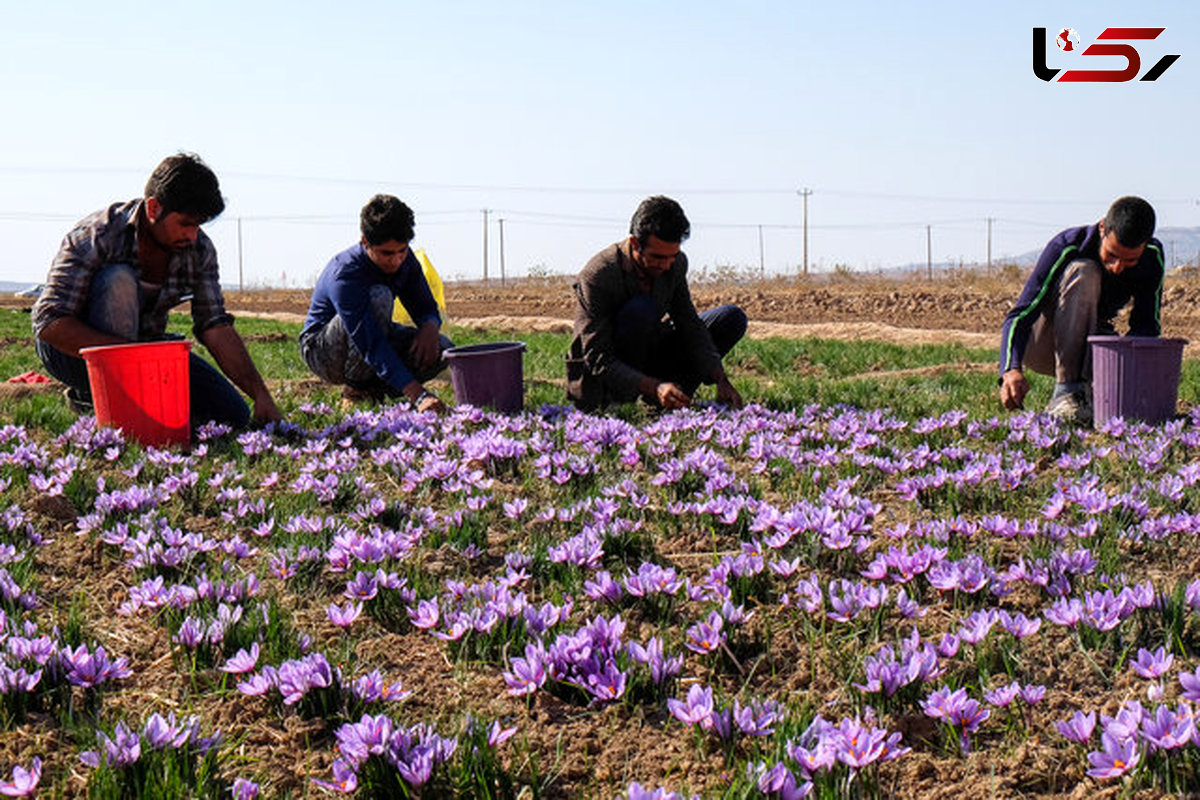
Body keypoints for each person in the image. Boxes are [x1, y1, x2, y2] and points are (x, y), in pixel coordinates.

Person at [32, 153, 281, 428]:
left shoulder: (198, 250)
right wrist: (130, 359)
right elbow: (49, 321)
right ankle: (101, 399)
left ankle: (119, 397)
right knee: (119, 282)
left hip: (144, 351)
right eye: (185, 223)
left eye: (199, 225)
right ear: (153, 209)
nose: (193, 235)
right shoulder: (96, 236)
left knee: (230, 414)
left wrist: (260, 395)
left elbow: (215, 326)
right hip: (71, 353)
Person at [566, 195, 747, 411]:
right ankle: (625, 400)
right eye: (658, 257)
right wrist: (654, 386)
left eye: (673, 256)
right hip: (608, 371)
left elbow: (688, 323)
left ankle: (676, 396)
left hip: (650, 351)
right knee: (641, 309)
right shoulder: (599, 274)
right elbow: (597, 357)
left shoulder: (675, 264)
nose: (667, 265)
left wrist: (720, 379)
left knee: (730, 318)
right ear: (635, 244)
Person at [999, 196, 1164, 424]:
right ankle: (1067, 392)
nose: (1117, 267)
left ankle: (1093, 395)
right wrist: (1010, 369)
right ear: (1102, 228)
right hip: (1044, 342)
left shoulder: (1152, 256)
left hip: (1093, 342)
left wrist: (1135, 382)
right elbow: (1021, 314)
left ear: (1145, 245)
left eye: (1130, 261)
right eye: (1112, 255)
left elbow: (1146, 326)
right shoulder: (1068, 246)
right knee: (1084, 271)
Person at [300, 194, 452, 412]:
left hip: (372, 338)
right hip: (324, 350)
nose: (396, 260)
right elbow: (369, 341)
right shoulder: (345, 272)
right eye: (387, 253)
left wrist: (429, 326)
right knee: (379, 298)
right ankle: (356, 391)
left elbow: (425, 306)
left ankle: (376, 390)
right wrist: (418, 395)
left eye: (402, 251)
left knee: (442, 348)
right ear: (365, 242)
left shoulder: (406, 262)